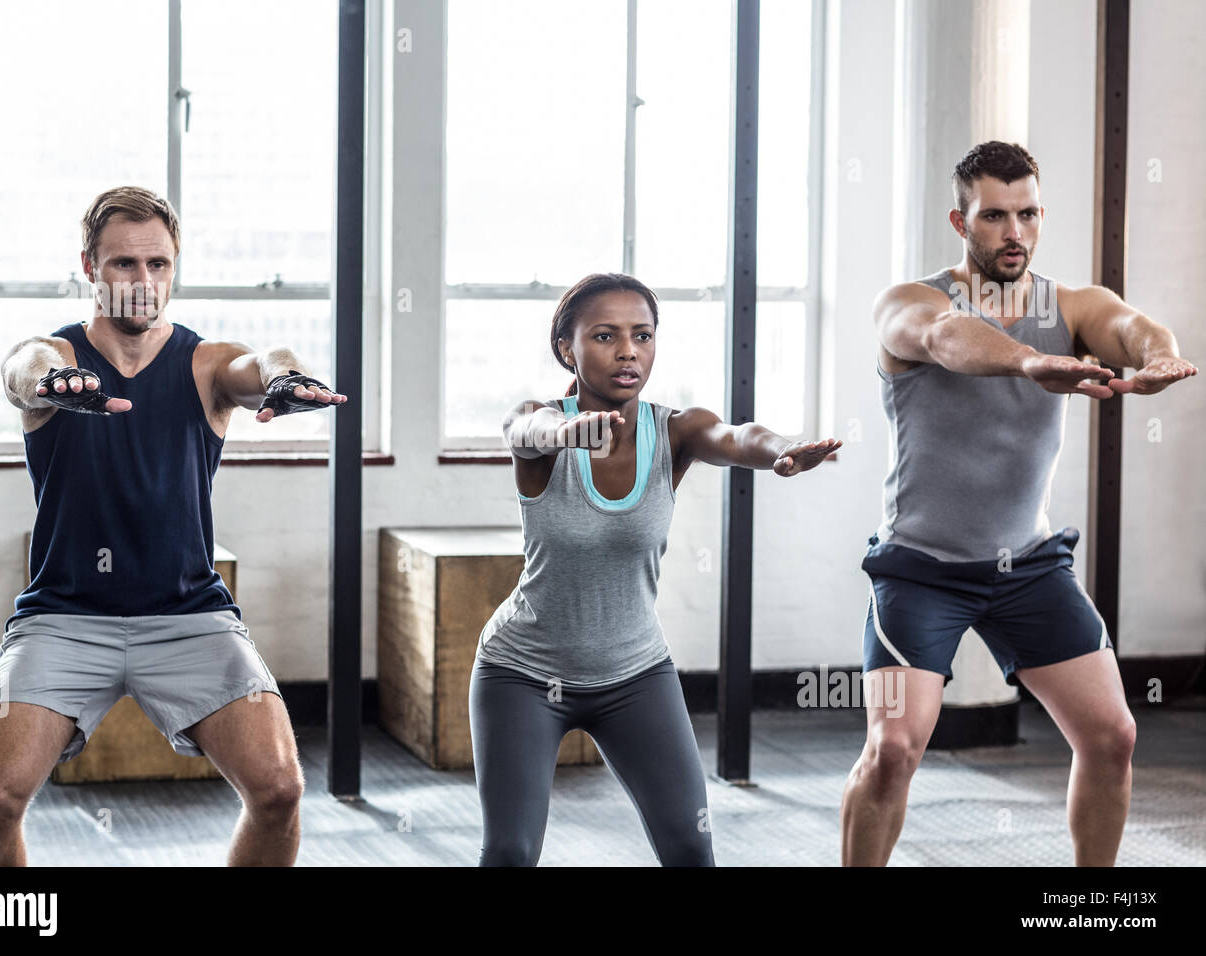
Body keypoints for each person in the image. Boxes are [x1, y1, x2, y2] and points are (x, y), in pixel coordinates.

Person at [0, 186, 346, 867]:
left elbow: (259, 362)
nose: (143, 283)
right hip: (65, 615)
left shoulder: (204, 363)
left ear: (174, 267)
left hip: (188, 613)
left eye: (158, 265)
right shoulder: (57, 356)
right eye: (123, 265)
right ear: (89, 267)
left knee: (280, 789)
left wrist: (284, 377)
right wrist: (55, 381)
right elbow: (22, 367)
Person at [841, 141, 1197, 867]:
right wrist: (1031, 360)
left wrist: (1158, 354)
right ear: (960, 220)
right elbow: (947, 339)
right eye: (995, 216)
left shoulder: (1071, 304)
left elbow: (1128, 325)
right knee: (893, 750)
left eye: (1028, 213)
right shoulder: (912, 303)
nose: (1015, 232)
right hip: (920, 571)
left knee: (1113, 737)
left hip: (1028, 567)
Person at [471, 272, 841, 865]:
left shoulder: (675, 431)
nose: (627, 351)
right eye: (604, 336)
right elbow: (523, 430)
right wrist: (564, 432)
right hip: (523, 674)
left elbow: (735, 434)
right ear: (567, 348)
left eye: (642, 335)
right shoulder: (541, 423)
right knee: (510, 851)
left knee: (690, 846)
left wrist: (780, 453)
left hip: (635, 673)